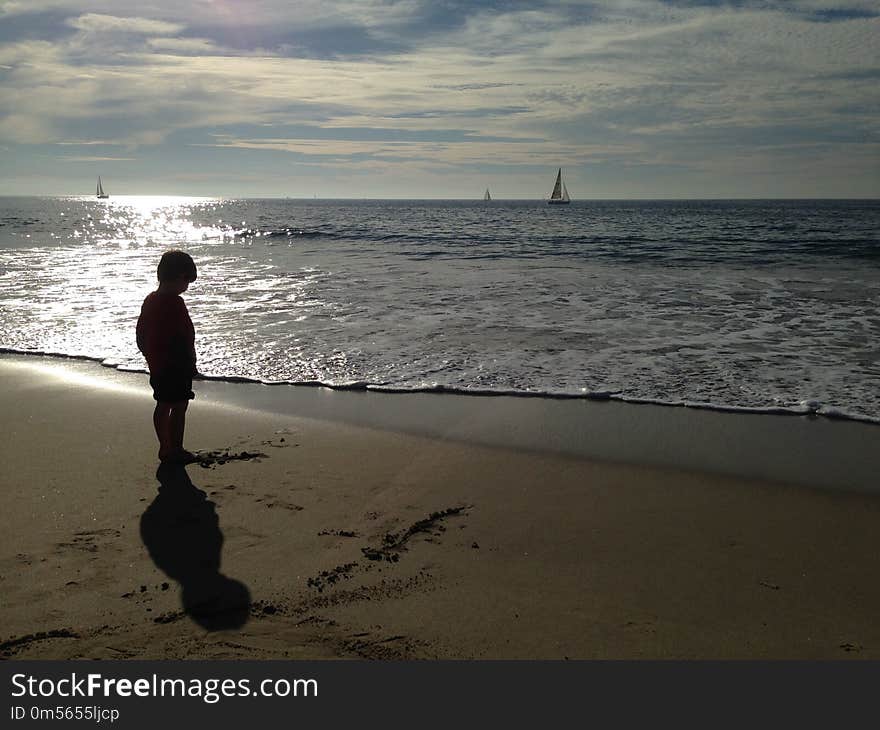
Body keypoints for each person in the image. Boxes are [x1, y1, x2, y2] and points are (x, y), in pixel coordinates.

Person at [136, 250, 199, 464]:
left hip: (158, 364)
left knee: (163, 404)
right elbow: (186, 335)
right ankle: (176, 448)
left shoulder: (150, 300)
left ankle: (165, 447)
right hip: (177, 364)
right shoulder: (175, 303)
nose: (186, 287)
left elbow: (140, 332)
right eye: (187, 281)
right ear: (180, 276)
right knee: (179, 406)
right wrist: (192, 362)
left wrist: (147, 354)